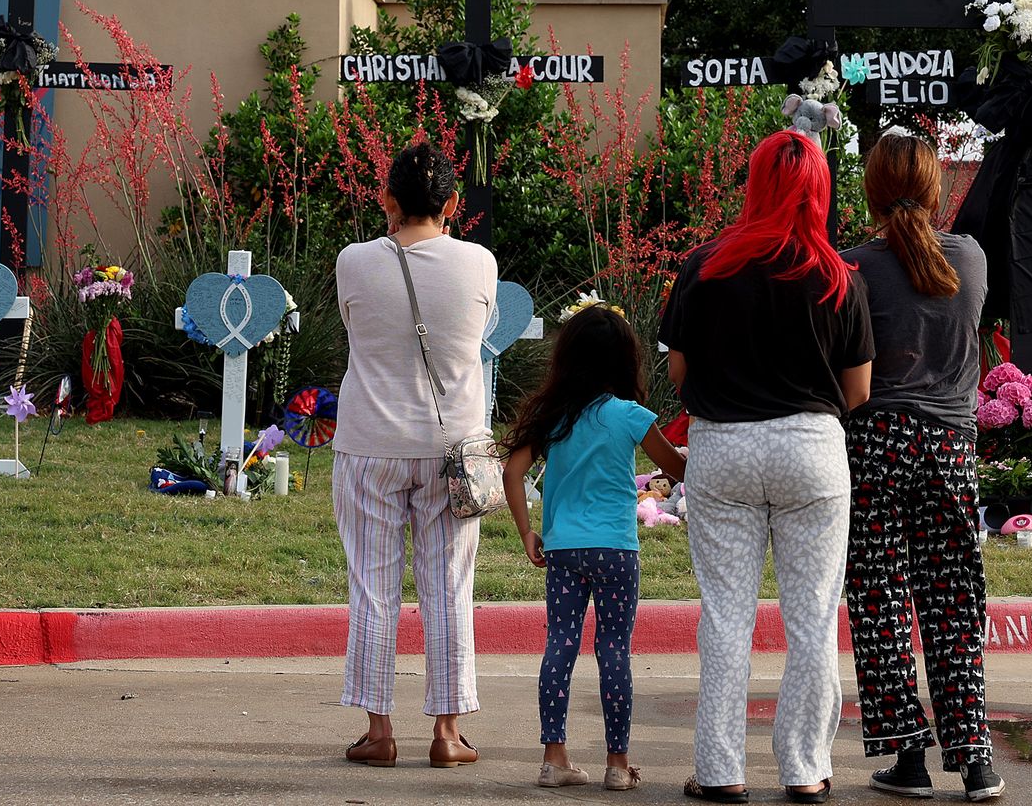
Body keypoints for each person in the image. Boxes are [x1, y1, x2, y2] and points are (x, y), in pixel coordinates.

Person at [659, 130, 873, 805]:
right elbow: (859, 390)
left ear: (752, 184)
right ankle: (805, 769)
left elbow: (679, 370)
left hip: (724, 447)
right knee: (812, 616)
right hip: (811, 449)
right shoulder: (839, 276)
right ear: (819, 190)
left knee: (726, 615)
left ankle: (721, 771)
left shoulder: (704, 266)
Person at [841, 132, 1004, 801]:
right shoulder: (969, 256)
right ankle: (975, 757)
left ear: (872, 191)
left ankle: (907, 755)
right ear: (937, 188)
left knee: (879, 597)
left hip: (877, 439)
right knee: (953, 599)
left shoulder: (852, 266)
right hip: (951, 443)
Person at [332, 143, 497, 769]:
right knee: (450, 588)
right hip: (454, 448)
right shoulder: (478, 263)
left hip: (370, 443)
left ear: (388, 201)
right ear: (453, 204)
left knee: (373, 589)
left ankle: (379, 732)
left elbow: (359, 328)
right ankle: (448, 733)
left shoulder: (355, 262)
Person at [501, 303, 686, 792]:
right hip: (617, 552)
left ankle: (553, 756)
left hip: (563, 550)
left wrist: (526, 532)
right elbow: (677, 467)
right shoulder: (629, 416)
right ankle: (617, 763)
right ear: (625, 361)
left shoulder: (553, 415)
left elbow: (512, 472)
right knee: (614, 651)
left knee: (560, 643)